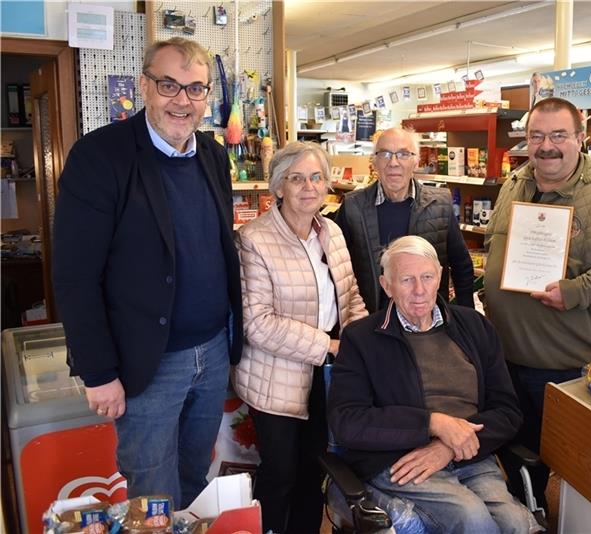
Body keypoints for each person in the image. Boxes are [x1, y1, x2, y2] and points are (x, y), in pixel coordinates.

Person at [52, 37, 243, 506]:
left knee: (194, 477)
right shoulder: (100, 157)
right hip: (148, 362)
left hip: (213, 352)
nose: (183, 100)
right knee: (152, 493)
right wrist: (97, 372)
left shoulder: (214, 156)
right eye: (168, 85)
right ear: (144, 86)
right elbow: (76, 276)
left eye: (196, 89)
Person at [483, 97, 591, 512]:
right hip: (508, 358)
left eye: (559, 135)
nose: (547, 146)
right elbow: (495, 245)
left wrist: (573, 292)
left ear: (580, 138)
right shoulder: (516, 182)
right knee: (520, 460)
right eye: (537, 136)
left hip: (566, 367)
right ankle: (529, 518)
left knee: (568, 474)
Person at [328, 236, 538, 534]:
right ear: (386, 285)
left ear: (439, 276)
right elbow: (347, 421)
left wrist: (448, 447)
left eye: (427, 277)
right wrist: (432, 423)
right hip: (403, 459)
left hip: (469, 453)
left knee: (516, 524)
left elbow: (507, 411)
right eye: (406, 280)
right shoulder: (362, 339)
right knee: (473, 520)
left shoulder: (476, 327)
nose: (419, 290)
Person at [233, 141, 367, 533]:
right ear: (278, 187)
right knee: (280, 474)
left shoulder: (333, 233)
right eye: (296, 179)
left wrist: (358, 340)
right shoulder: (254, 239)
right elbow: (257, 323)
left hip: (327, 373)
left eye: (316, 177)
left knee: (315, 471)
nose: (309, 187)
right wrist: (328, 345)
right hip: (275, 378)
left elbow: (351, 295)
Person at [336, 127, 474, 313]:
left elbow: (461, 265)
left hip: (427, 320)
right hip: (371, 320)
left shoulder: (440, 204)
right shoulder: (353, 207)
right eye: (385, 154)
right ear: (374, 162)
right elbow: (337, 271)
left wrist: (465, 319)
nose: (394, 162)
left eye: (403, 154)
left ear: (415, 162)